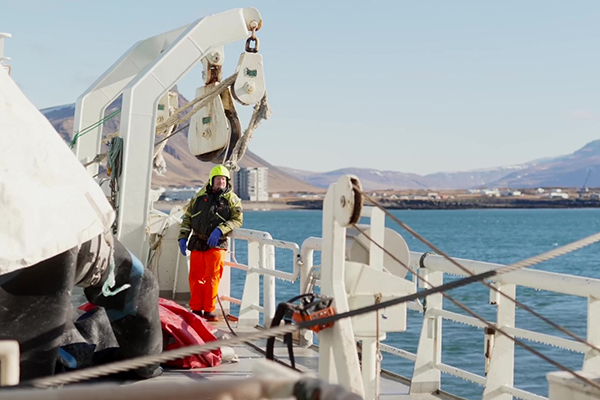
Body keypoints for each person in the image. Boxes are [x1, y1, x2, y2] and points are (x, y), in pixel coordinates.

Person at [178, 165, 243, 321]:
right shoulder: (199, 197)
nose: (220, 181)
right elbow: (188, 218)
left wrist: (220, 230)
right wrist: (183, 236)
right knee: (195, 277)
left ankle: (209, 310)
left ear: (227, 181)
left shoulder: (232, 199)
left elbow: (237, 220)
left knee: (212, 278)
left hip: (217, 243)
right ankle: (195, 309)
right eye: (218, 179)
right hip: (197, 242)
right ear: (212, 180)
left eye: (223, 179)